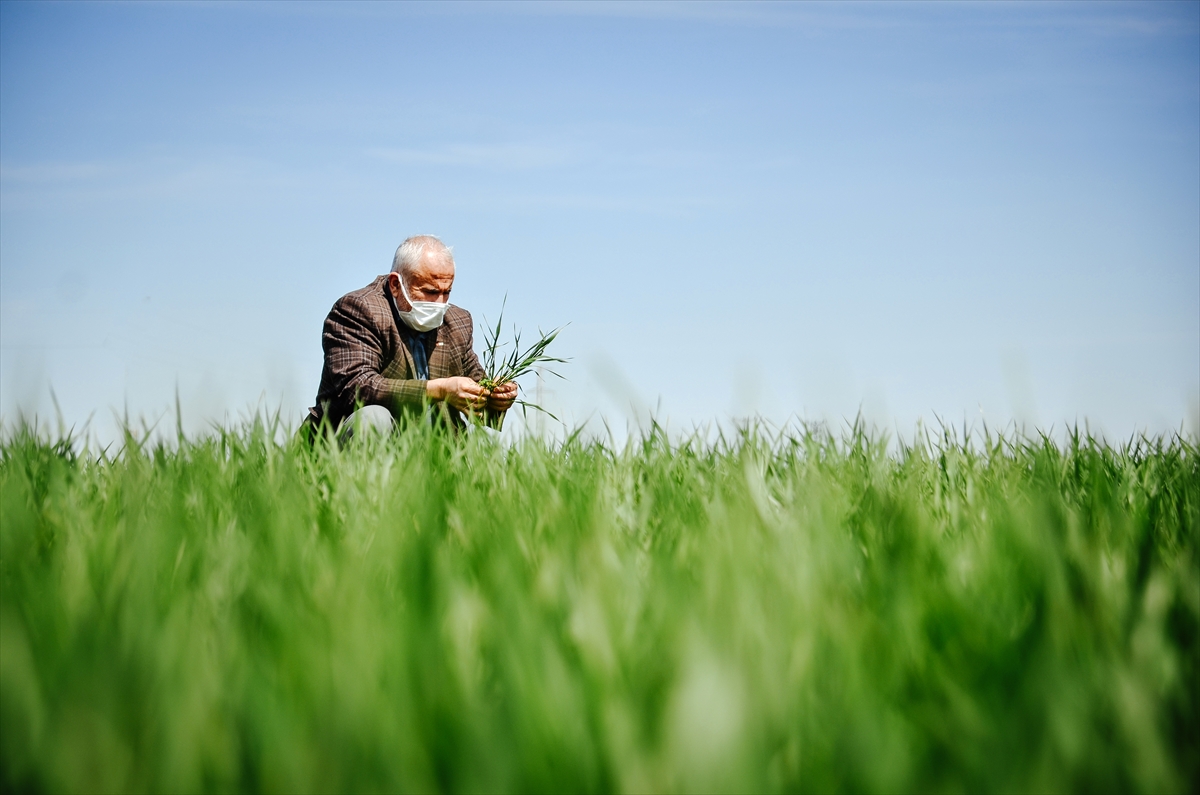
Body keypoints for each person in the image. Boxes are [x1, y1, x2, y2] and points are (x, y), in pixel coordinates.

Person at [302, 235, 517, 441]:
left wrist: (494, 398)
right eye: (431, 292)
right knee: (373, 419)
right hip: (351, 446)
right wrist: (441, 389)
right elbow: (358, 388)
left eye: (447, 292)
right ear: (396, 284)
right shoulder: (359, 310)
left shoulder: (457, 322)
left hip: (429, 458)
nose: (440, 303)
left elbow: (474, 395)